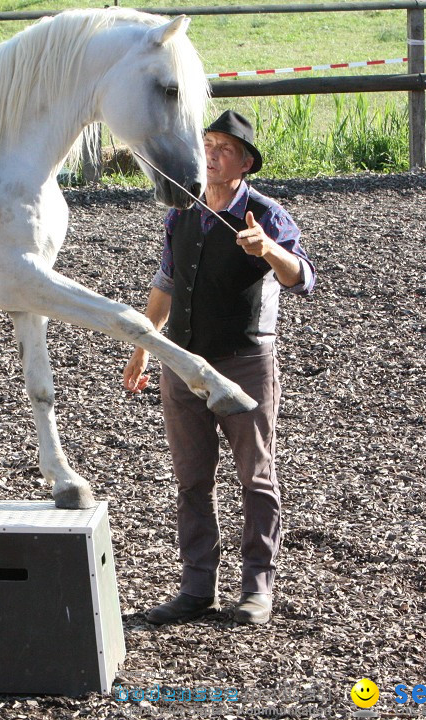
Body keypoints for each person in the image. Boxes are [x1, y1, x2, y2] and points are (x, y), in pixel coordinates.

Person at [122, 110, 315, 625]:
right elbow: (166, 281)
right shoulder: (180, 213)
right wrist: (144, 343)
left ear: (246, 162)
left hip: (245, 362)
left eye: (224, 148)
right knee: (191, 480)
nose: (211, 154)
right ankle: (196, 587)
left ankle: (257, 589)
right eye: (207, 144)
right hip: (183, 363)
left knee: (256, 478)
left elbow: (303, 279)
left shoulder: (265, 214)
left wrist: (269, 249)